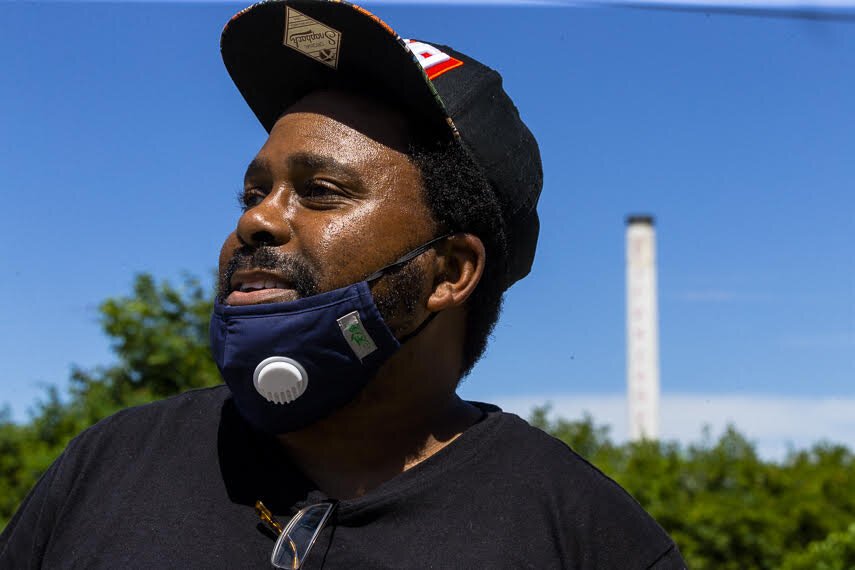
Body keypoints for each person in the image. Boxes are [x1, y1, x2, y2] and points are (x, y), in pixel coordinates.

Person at [0, 1, 686, 568]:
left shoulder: (581, 536)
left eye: (321, 192)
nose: (258, 220)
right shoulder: (109, 466)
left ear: (448, 272)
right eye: (253, 191)